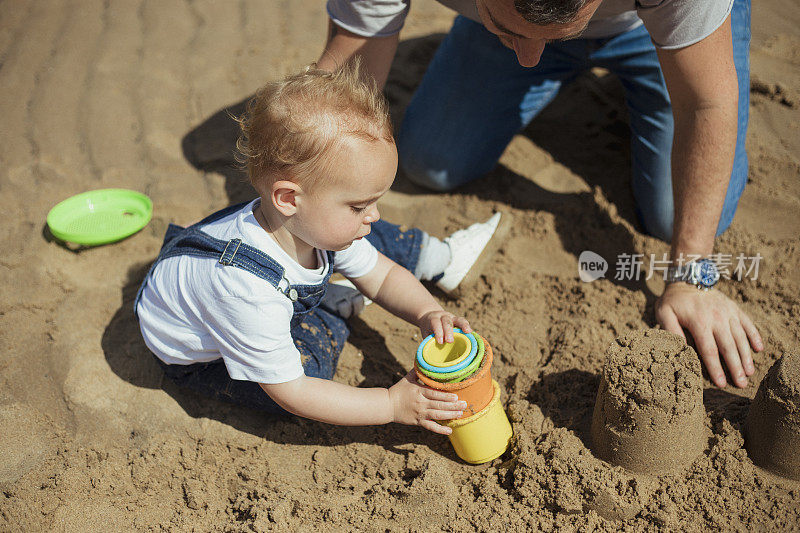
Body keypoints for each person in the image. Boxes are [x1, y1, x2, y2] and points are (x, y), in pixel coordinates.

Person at [318, 0, 764, 389]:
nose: (530, 58)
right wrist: (306, 189)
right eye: (511, 27)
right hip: (506, 22)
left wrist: (691, 276)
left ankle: (661, 53)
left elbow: (706, 104)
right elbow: (349, 70)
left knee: (675, 217)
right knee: (431, 161)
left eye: (551, 36)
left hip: (650, 26)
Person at [134, 63, 507, 434]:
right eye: (360, 205)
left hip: (247, 283)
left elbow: (383, 274)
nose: (374, 214)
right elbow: (294, 392)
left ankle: (433, 259)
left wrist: (428, 312)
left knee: (362, 237)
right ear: (288, 198)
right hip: (198, 356)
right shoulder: (246, 292)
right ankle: (328, 310)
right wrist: (390, 404)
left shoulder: (304, 223)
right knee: (311, 373)